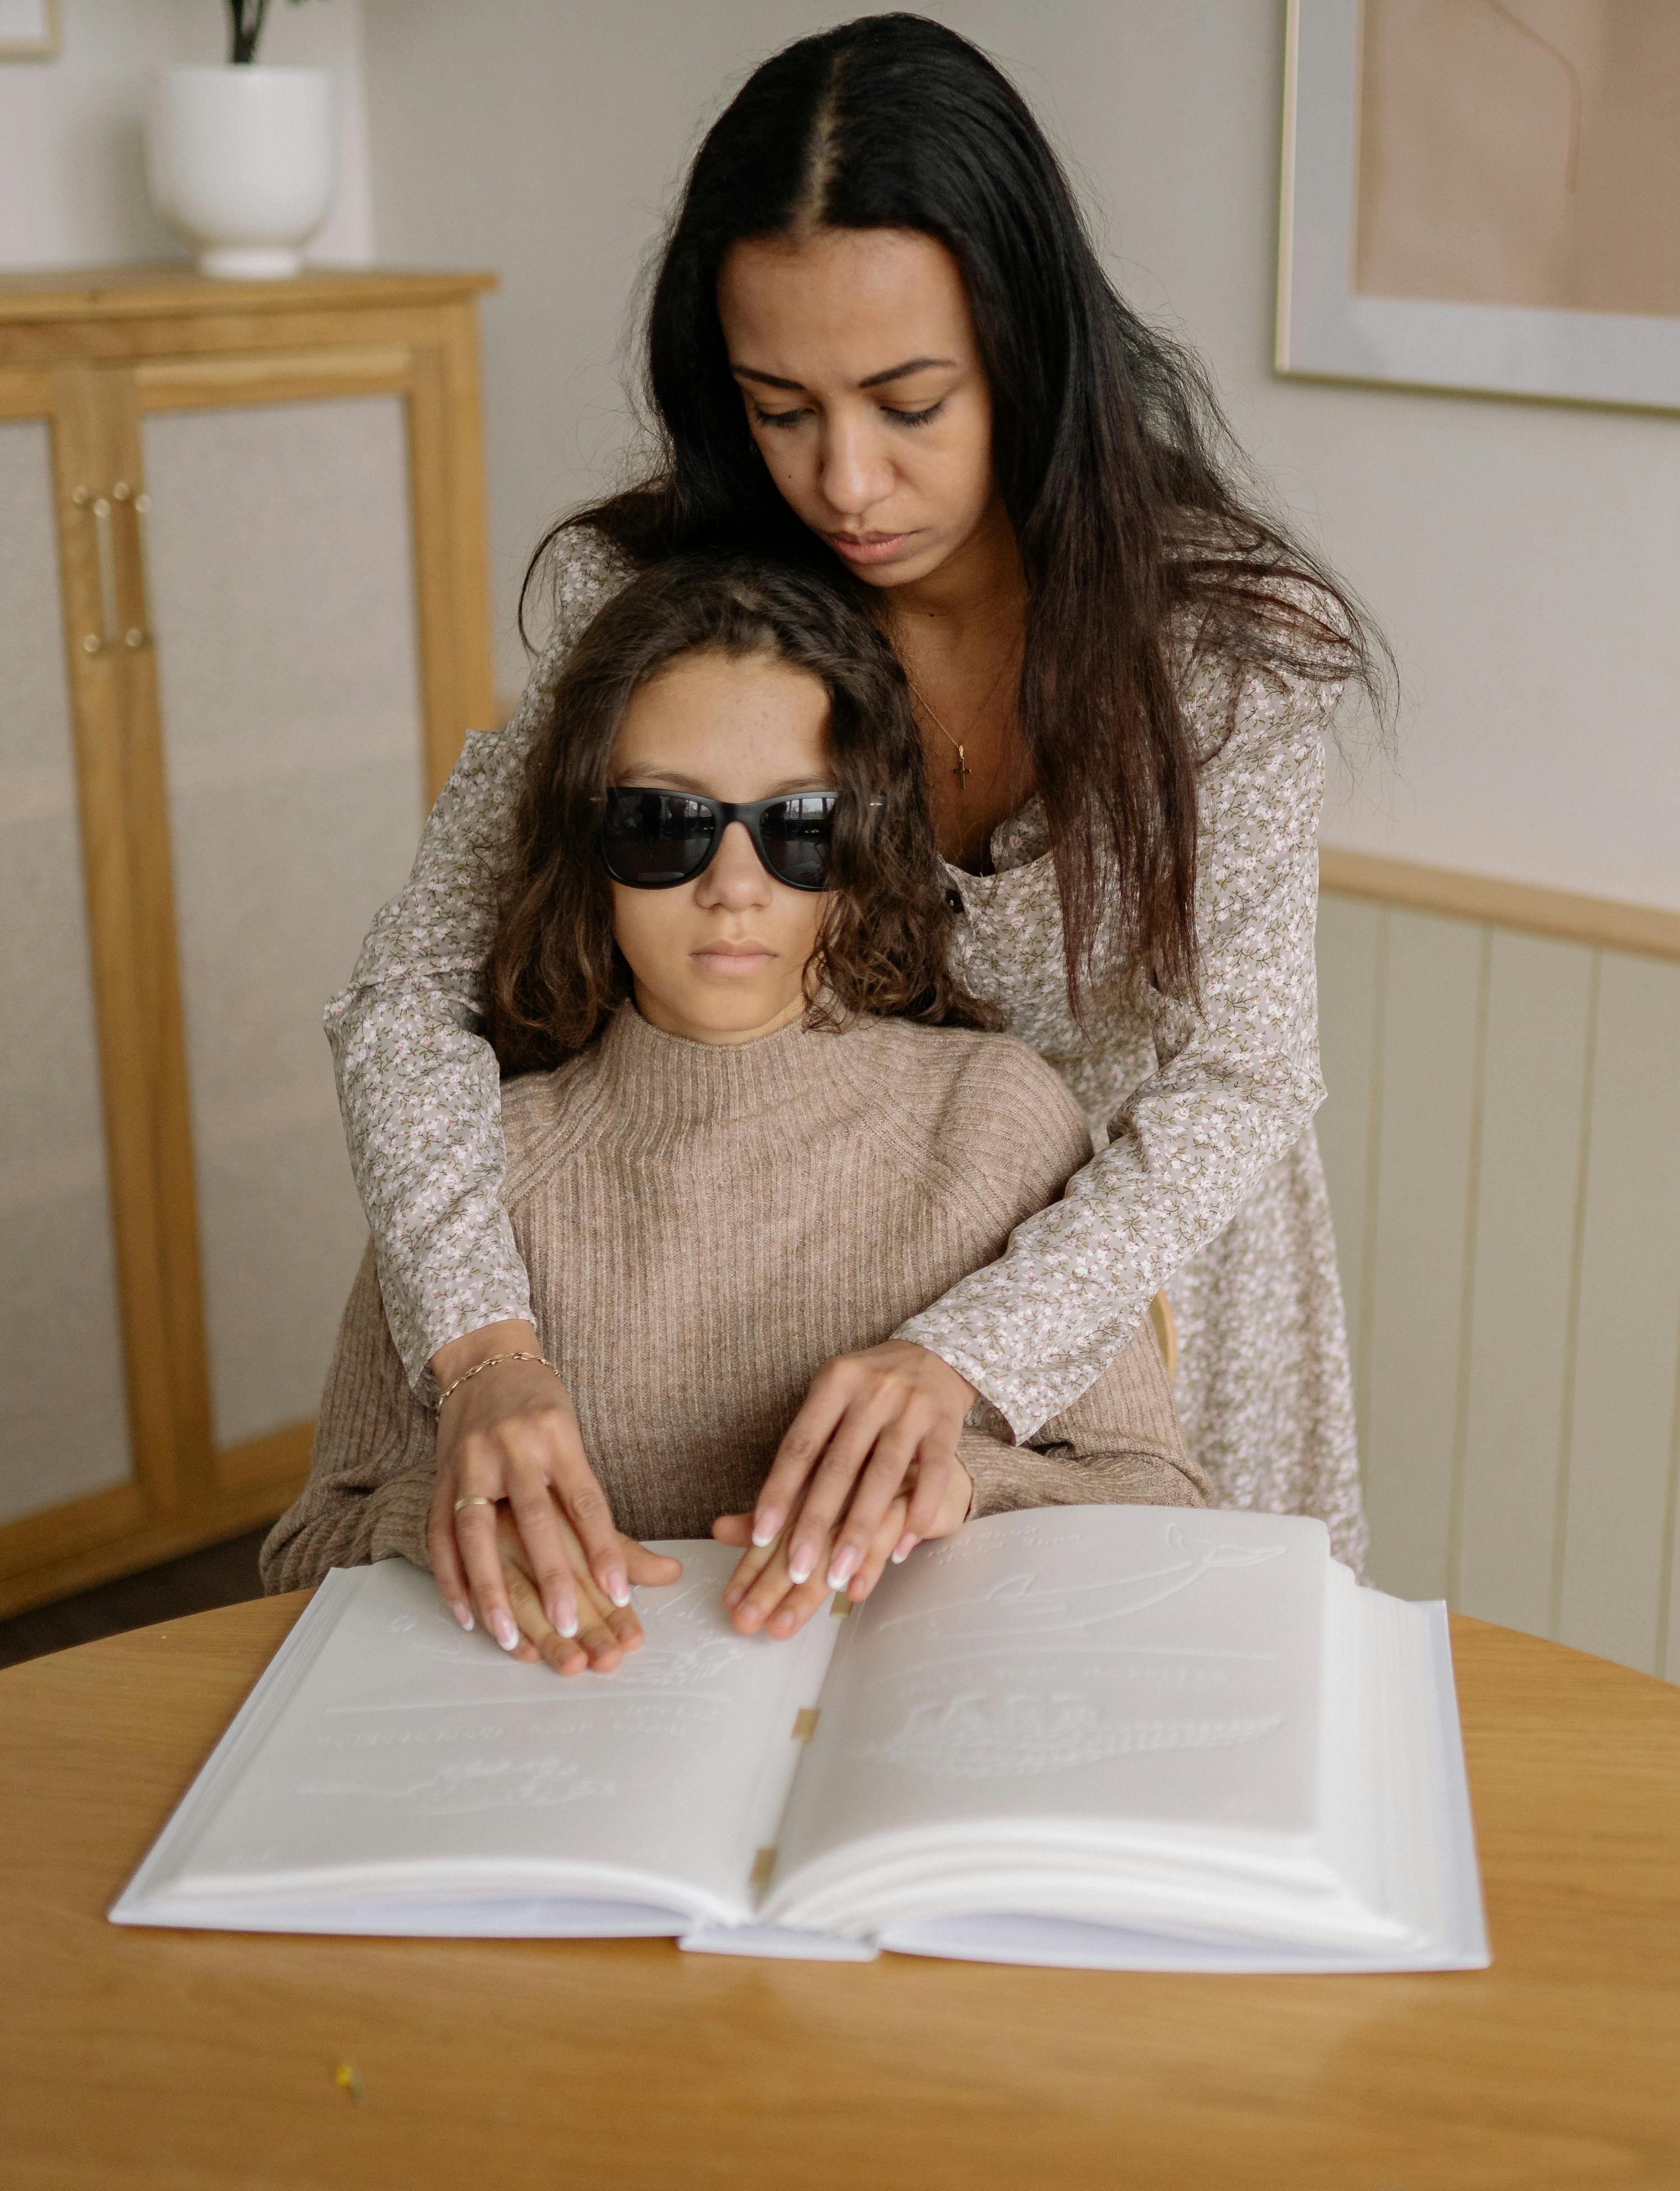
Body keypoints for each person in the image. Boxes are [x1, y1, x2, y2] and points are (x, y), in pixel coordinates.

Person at [328, 13, 1382, 1658]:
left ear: (1026, 346)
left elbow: (1244, 1076)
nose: (846, 480)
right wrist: (481, 1345)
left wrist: (970, 1356)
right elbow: (407, 996)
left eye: (908, 400)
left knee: (1158, 1733)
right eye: (779, 406)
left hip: (1139, 1306)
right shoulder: (673, 607)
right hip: (806, 1286)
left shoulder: (1220, 644)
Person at [266, 554, 1200, 1670]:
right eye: (667, 822)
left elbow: (1161, 1499)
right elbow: (308, 1542)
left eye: (798, 824)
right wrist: (434, 1526)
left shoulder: (992, 1120)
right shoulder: (471, 1173)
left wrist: (970, 1482)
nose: (734, 880)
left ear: (861, 853)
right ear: (590, 846)